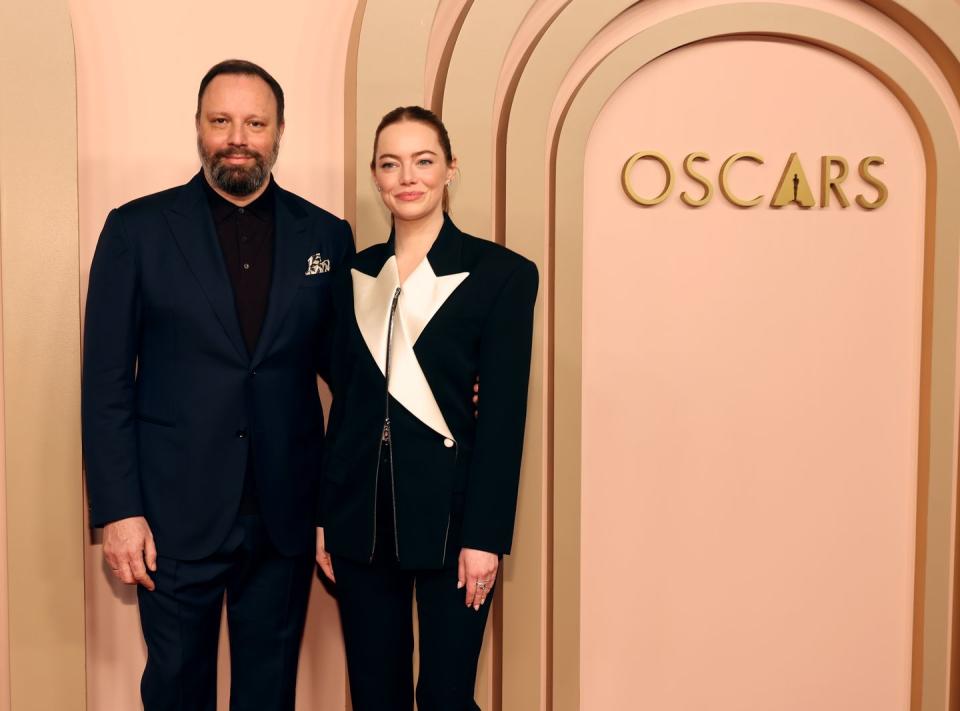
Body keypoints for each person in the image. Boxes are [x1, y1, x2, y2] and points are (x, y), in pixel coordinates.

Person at [81, 59, 354, 710]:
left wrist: (456, 387)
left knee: (270, 693)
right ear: (198, 128)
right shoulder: (136, 230)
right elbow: (106, 382)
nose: (238, 136)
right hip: (172, 517)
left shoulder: (328, 236)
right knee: (176, 687)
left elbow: (352, 376)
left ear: (279, 131)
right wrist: (119, 512)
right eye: (221, 121)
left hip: (285, 513)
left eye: (255, 122)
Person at [315, 106, 538, 710]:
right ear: (375, 176)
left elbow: (503, 420)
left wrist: (487, 537)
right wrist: (326, 517)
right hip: (362, 522)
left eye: (423, 160)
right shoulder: (354, 275)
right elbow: (347, 405)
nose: (407, 176)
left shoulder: (503, 275)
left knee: (445, 697)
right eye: (391, 163)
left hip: (456, 522)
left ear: (449, 169)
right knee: (374, 696)